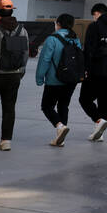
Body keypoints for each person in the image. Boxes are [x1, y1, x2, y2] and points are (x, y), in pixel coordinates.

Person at [0, 0, 30, 151]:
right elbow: (25, 53)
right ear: (12, 11)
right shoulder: (21, 30)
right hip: (14, 74)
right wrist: (20, 71)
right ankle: (6, 141)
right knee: (9, 107)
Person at [80, 2, 107, 141]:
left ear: (97, 13)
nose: (94, 18)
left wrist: (85, 69)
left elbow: (88, 50)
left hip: (96, 71)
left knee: (85, 99)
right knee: (104, 102)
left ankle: (98, 121)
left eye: (94, 16)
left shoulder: (94, 27)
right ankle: (100, 133)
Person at [36, 12, 81, 146]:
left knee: (47, 106)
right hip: (70, 80)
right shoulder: (75, 39)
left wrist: (39, 78)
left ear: (58, 24)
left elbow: (44, 60)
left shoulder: (52, 39)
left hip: (54, 80)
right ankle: (60, 138)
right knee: (63, 106)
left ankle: (60, 127)